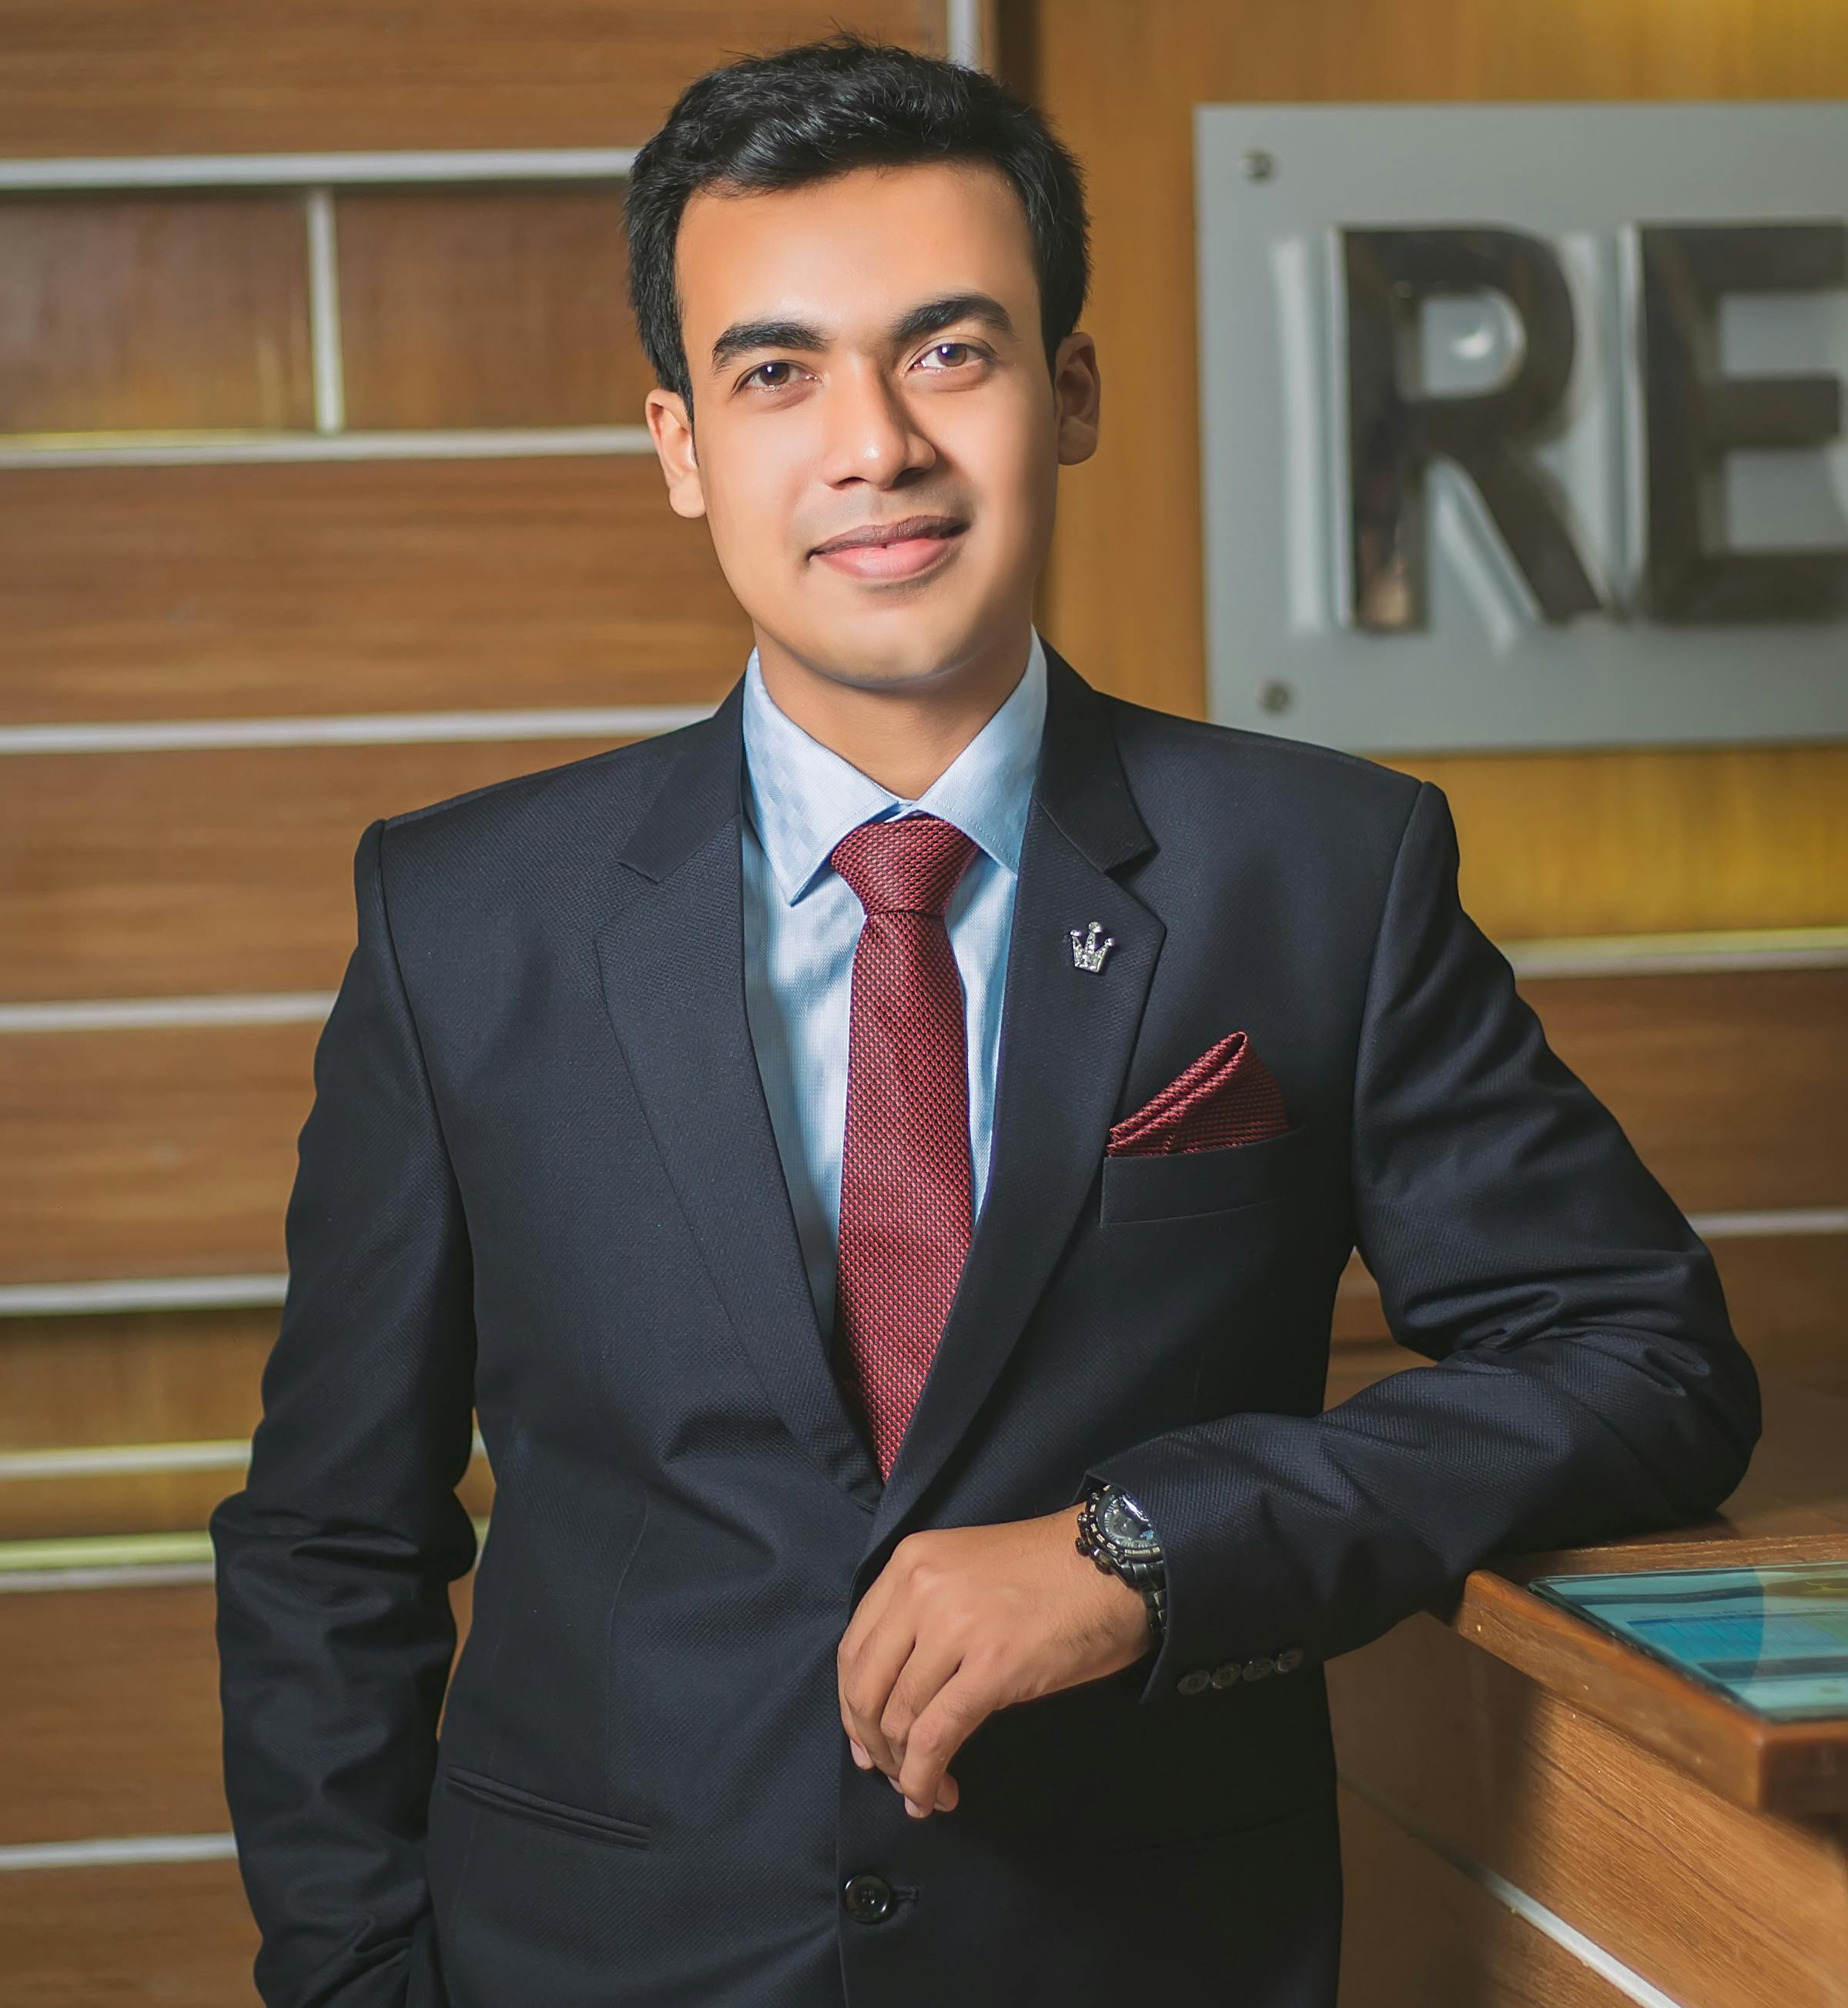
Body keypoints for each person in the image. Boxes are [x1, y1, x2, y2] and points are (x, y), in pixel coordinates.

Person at [209, 30, 1761, 2008]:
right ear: (681, 445)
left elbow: (1645, 1358)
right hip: (591, 1960)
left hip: (1142, 1953)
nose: (875, 444)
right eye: (777, 373)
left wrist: (1148, 1543)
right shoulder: (462, 917)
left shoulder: (1320, 871)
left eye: (951, 350)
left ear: (1070, 391)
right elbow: (332, 1538)